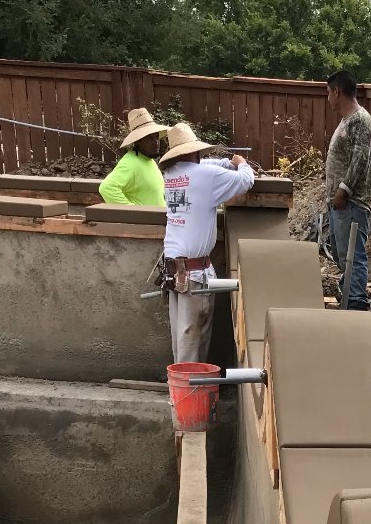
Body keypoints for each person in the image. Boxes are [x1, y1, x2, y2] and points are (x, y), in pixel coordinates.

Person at [159, 121, 255, 366]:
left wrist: (225, 162)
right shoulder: (206, 177)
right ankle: (190, 400)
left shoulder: (171, 174)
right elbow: (246, 181)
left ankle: (179, 397)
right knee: (193, 341)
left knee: (180, 341)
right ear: (194, 151)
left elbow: (204, 167)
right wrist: (241, 164)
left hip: (173, 269)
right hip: (194, 274)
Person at [324, 70, 371, 311]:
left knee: (352, 255)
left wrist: (343, 192)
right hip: (341, 203)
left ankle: (356, 303)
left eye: (328, 93)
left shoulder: (360, 120)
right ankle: (348, 297)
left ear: (336, 91)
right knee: (342, 253)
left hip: (351, 202)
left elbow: (360, 159)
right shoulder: (347, 121)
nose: (328, 99)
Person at [98, 108, 166, 205]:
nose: (156, 143)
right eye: (150, 138)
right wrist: (133, 212)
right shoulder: (130, 163)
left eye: (156, 137)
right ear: (138, 141)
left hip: (158, 219)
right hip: (145, 220)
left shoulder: (148, 160)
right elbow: (106, 188)